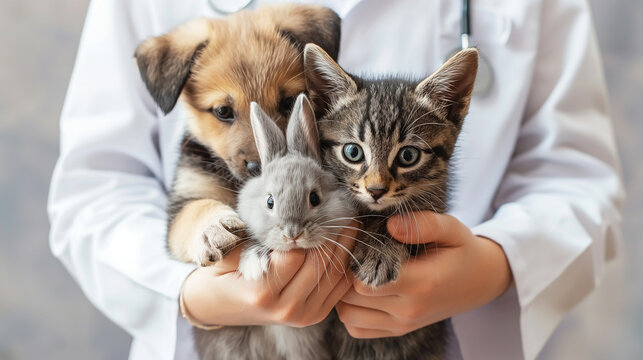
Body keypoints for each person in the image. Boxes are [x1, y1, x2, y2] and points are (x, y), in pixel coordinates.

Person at [48, 0, 623, 359]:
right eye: (226, 113)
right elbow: (96, 188)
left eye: (289, 103)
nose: (260, 145)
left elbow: (575, 178)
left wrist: (496, 265)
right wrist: (187, 292)